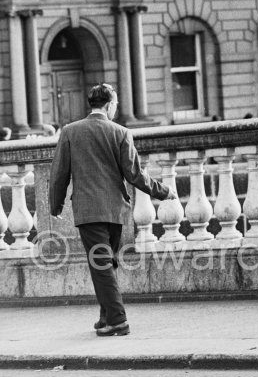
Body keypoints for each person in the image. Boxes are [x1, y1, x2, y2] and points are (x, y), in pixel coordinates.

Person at [49, 83, 177, 336]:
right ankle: (106, 315)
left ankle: (117, 320)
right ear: (109, 105)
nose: (116, 108)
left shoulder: (70, 131)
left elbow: (59, 172)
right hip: (116, 210)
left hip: (88, 211)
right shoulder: (121, 132)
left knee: (101, 265)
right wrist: (163, 191)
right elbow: (135, 175)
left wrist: (56, 205)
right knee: (107, 264)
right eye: (116, 104)